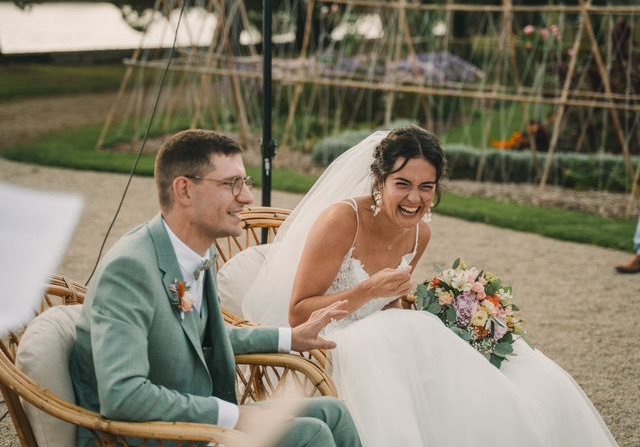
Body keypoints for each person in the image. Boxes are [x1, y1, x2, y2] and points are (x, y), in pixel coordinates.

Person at [243, 126, 618, 446]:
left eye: (426, 187)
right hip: (332, 339)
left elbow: (390, 306)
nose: (414, 199)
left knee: (520, 367)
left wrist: (459, 315)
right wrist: (368, 290)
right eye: (402, 184)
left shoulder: (421, 233)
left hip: (389, 333)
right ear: (379, 181)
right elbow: (299, 311)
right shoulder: (342, 219)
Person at [69, 129, 362, 447]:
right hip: (134, 437)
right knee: (310, 434)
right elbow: (122, 396)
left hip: (189, 424)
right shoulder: (129, 270)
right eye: (230, 184)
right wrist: (233, 416)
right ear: (184, 190)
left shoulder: (195, 250)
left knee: (332, 411)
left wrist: (290, 337)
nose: (247, 197)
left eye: (245, 182)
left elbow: (200, 337)